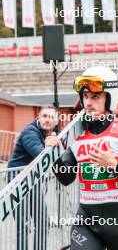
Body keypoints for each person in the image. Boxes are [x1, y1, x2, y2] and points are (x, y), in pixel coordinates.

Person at [53, 66, 118, 250]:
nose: (88, 103)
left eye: (95, 97)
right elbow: (65, 179)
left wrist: (114, 165)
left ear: (110, 98)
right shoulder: (77, 135)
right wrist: (54, 152)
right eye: (85, 97)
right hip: (86, 224)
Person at [8, 104, 59, 250]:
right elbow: (41, 156)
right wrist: (51, 145)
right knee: (23, 225)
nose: (47, 120)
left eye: (51, 117)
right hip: (17, 180)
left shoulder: (50, 133)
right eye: (44, 116)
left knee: (42, 221)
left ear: (56, 121)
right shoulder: (30, 132)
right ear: (38, 117)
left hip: (33, 180)